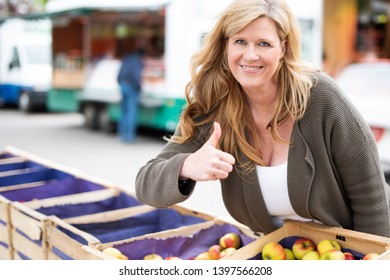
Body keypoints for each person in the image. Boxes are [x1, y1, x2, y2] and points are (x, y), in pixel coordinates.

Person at [135, 0, 390, 237]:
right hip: (275, 253)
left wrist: (369, 262)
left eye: (264, 44)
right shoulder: (215, 108)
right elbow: (145, 184)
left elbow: (372, 200)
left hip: (345, 253)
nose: (250, 55)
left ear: (283, 49)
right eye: (240, 42)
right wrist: (186, 165)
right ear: (225, 46)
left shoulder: (321, 97)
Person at [117, 48, 144, 143]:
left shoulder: (127, 59)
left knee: (124, 111)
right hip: (131, 87)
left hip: (123, 86)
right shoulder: (138, 61)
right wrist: (140, 87)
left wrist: (121, 84)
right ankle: (130, 136)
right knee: (131, 112)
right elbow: (136, 76)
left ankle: (122, 135)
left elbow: (119, 74)